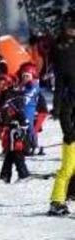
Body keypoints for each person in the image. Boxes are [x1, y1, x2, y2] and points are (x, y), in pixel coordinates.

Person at [49, 17, 75, 216]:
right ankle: (56, 202)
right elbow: (66, 115)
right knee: (67, 169)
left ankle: (68, 195)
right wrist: (69, 132)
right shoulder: (70, 97)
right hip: (72, 138)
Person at [0, 95, 30, 183]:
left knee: (17, 156)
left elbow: (25, 125)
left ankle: (23, 175)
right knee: (9, 156)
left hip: (18, 137)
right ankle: (5, 176)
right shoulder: (9, 110)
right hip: (12, 136)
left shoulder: (19, 111)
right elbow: (3, 119)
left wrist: (20, 136)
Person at [17, 62, 50, 153]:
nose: (25, 78)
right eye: (23, 76)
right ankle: (26, 144)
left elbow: (28, 96)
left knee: (32, 128)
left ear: (32, 76)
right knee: (25, 126)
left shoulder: (33, 86)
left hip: (40, 111)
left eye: (27, 76)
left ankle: (33, 146)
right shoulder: (23, 85)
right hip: (32, 110)